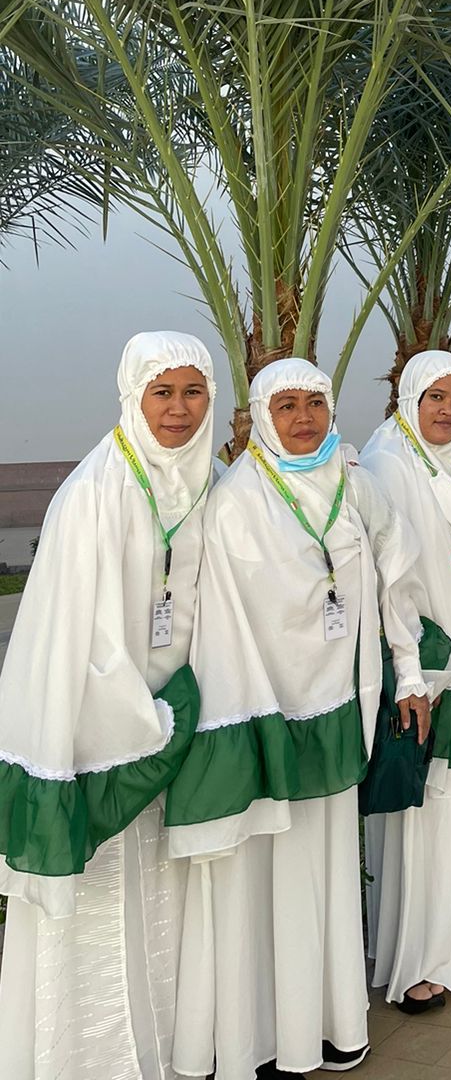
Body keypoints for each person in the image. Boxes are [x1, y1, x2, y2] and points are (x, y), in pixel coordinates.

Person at [167, 358, 423, 1078]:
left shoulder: (354, 483)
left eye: (315, 402)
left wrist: (409, 671)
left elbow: (397, 575)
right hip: (262, 724)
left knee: (325, 872)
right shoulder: (236, 500)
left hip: (337, 712)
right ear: (260, 416)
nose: (304, 418)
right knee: (261, 879)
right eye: (287, 406)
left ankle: (332, 1024)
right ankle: (258, 1040)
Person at [0, 332, 212, 1080]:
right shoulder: (95, 491)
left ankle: (165, 1053)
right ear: (132, 395)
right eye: (163, 392)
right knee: (100, 905)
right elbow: (73, 639)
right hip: (102, 742)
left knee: (163, 900)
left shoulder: (204, 481)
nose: (179, 410)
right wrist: (148, 723)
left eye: (194, 392)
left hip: (173, 738)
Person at [360, 351, 451, 1012]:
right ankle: (412, 961)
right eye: (434, 398)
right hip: (419, 667)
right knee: (416, 818)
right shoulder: (389, 464)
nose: (446, 410)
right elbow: (392, 583)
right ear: (409, 400)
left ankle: (448, 950)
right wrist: (413, 671)